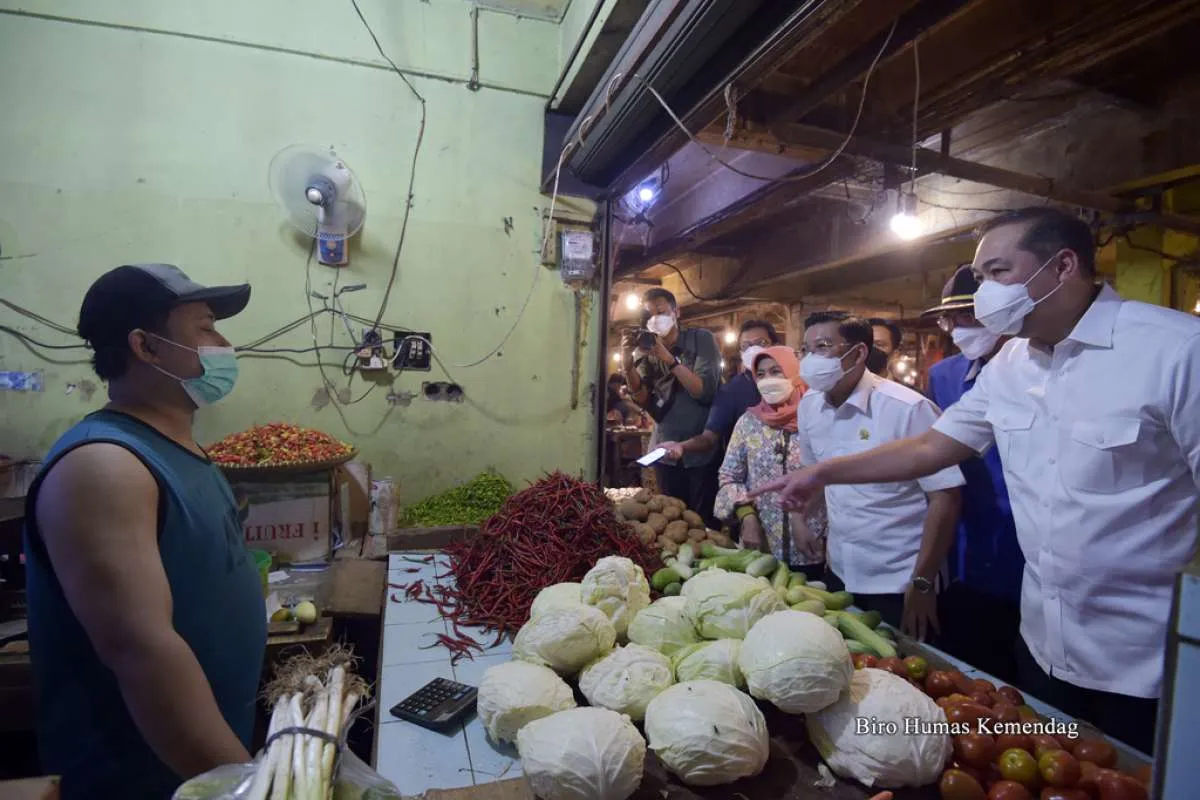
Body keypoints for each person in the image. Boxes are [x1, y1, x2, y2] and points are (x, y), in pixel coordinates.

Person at [751, 207, 1200, 755]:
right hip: (1042, 647)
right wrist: (821, 471)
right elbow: (930, 446)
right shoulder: (1011, 364)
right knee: (1049, 776)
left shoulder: (1176, 351)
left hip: (1149, 661)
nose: (983, 292)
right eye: (980, 276)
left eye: (998, 272)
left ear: (1062, 266)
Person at [23, 264, 267, 798]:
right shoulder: (104, 467)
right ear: (146, 347)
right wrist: (247, 788)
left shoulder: (180, 452)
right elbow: (142, 655)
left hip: (201, 774)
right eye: (205, 327)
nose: (224, 344)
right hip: (145, 782)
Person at [791, 311, 964, 637]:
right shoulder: (810, 407)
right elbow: (813, 474)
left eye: (823, 346)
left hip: (900, 581)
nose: (811, 359)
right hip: (841, 572)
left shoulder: (907, 409)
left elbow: (945, 495)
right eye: (806, 349)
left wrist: (923, 582)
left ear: (857, 354)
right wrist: (801, 519)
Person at [922, 264, 1023, 685]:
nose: (960, 328)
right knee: (966, 665)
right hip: (963, 533)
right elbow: (932, 454)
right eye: (952, 319)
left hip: (1022, 537)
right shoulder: (942, 376)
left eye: (971, 316)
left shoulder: (1029, 371)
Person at [713, 346, 826, 578]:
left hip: (814, 546)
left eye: (776, 371)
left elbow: (834, 477)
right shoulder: (749, 423)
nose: (768, 380)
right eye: (761, 375)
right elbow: (728, 477)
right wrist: (747, 517)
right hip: (761, 551)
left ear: (794, 373)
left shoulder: (817, 418)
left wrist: (812, 523)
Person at [623, 288, 721, 525]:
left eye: (661, 311)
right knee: (670, 521)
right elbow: (643, 398)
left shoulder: (701, 339)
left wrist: (668, 358)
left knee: (702, 523)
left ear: (676, 312)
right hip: (665, 453)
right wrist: (627, 365)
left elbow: (703, 392)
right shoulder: (647, 349)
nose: (655, 318)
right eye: (650, 315)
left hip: (700, 452)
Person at [656, 319, 780, 466]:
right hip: (750, 475)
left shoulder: (793, 384)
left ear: (776, 346)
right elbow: (708, 438)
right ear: (741, 353)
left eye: (761, 343)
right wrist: (681, 446)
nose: (753, 350)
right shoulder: (731, 392)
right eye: (746, 346)